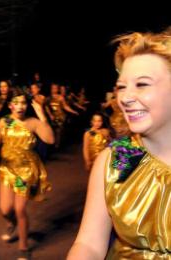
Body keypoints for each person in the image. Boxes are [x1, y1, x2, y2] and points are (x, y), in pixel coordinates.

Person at [67, 29, 171, 259]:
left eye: (142, 84)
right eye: (122, 87)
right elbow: (89, 244)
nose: (125, 98)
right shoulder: (115, 160)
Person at [0, 87, 54, 260]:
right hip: (7, 170)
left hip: (25, 173)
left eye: (23, 102)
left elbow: (50, 139)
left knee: (19, 209)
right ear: (10, 106)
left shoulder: (33, 123)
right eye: (16, 103)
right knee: (5, 209)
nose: (20, 106)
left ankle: (24, 248)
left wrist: (42, 116)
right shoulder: (4, 122)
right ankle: (11, 224)